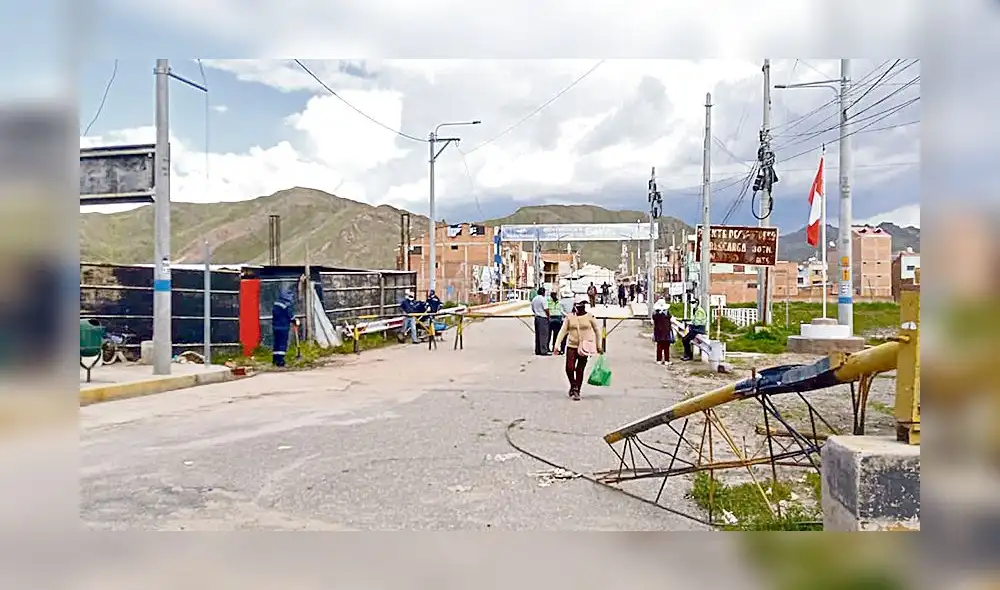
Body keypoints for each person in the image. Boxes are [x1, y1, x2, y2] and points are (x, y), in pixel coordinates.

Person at [554, 295, 603, 400]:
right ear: (575, 305)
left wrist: (599, 345)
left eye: (584, 304)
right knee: (569, 368)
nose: (582, 307)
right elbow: (563, 331)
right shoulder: (570, 317)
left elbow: (597, 331)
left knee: (580, 369)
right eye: (580, 304)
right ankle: (573, 384)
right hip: (572, 345)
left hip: (585, 346)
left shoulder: (590, 316)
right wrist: (557, 345)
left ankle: (577, 390)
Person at [271, 288, 295, 367]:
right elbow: (290, 315)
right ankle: (280, 361)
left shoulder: (276, 303)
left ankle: (275, 359)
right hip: (283, 326)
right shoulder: (286, 305)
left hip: (275, 326)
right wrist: (294, 320)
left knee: (276, 343)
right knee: (282, 344)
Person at [652, 297, 674, 364]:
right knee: (666, 346)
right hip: (666, 331)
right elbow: (672, 320)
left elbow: (653, 322)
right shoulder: (667, 313)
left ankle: (659, 360)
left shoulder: (655, 313)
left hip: (658, 331)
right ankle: (666, 360)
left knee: (659, 346)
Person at [530, 286, 551, 356]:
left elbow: (532, 309)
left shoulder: (534, 299)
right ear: (544, 292)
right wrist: (548, 316)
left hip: (537, 318)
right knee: (544, 335)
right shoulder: (543, 299)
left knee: (538, 334)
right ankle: (543, 351)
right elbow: (546, 309)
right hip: (543, 318)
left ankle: (538, 350)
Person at [547, 291, 565, 355]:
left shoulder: (559, 302)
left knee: (556, 335)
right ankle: (547, 347)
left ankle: (554, 347)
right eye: (553, 295)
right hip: (551, 318)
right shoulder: (548, 301)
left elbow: (561, 310)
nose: (553, 296)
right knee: (548, 335)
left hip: (557, 319)